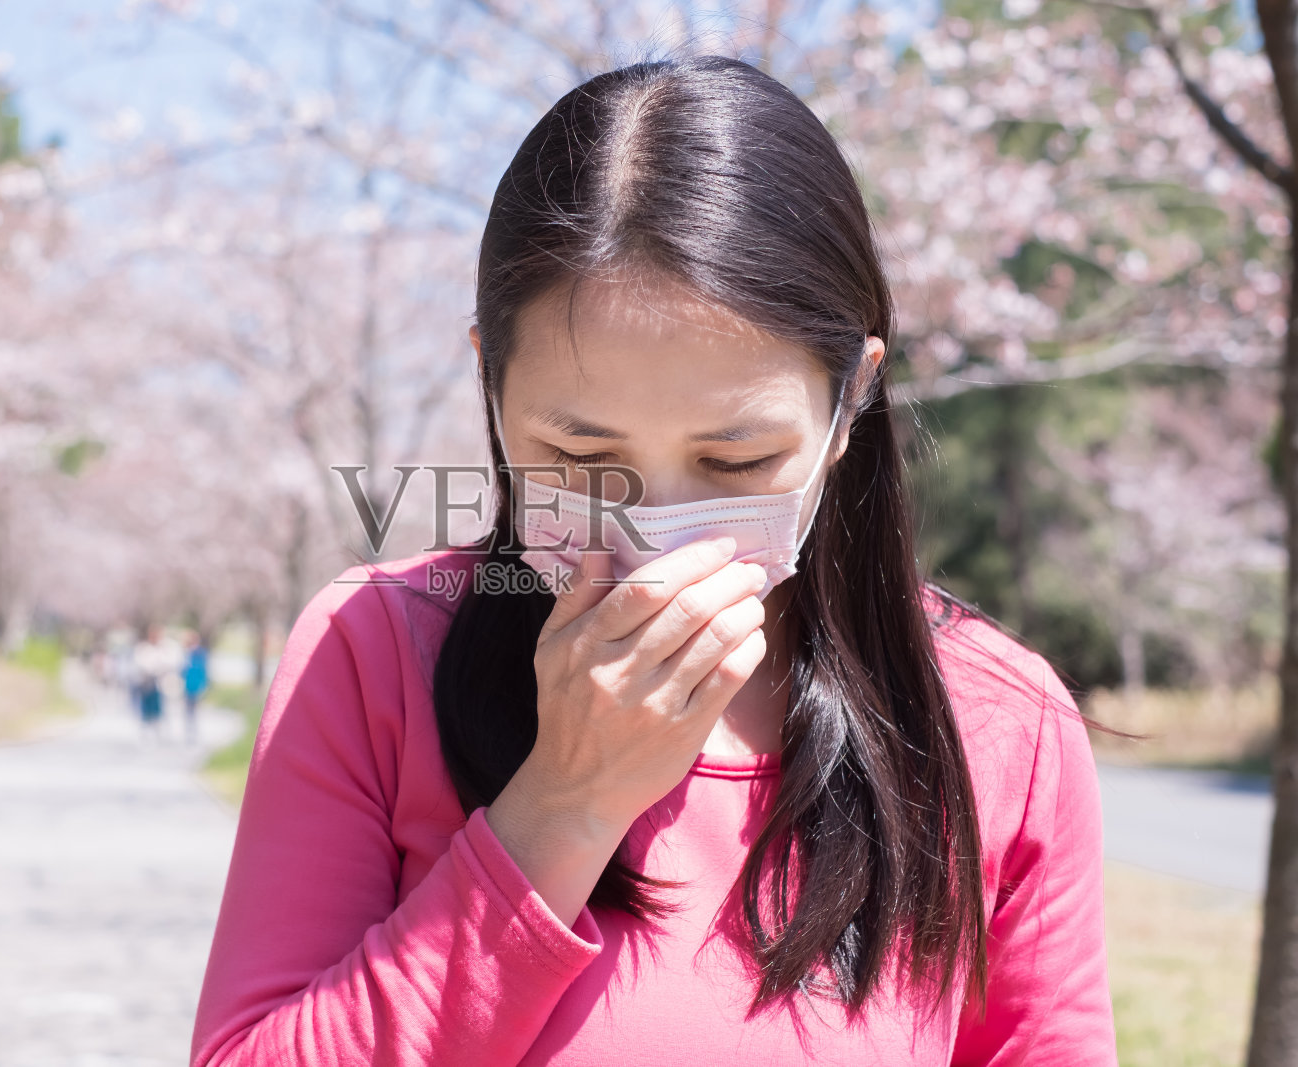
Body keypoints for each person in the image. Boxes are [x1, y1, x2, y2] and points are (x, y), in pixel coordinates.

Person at [191, 56, 1120, 1066]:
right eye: (580, 459)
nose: (657, 532)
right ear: (490, 387)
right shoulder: (376, 652)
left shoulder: (998, 720)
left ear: (851, 398)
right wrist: (561, 804)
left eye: (737, 459)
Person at [181, 630, 211, 744]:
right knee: (188, 709)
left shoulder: (199, 653)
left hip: (196, 685)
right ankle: (189, 730)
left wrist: (204, 685)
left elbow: (203, 670)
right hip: (187, 685)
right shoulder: (187, 653)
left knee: (195, 709)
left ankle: (194, 731)